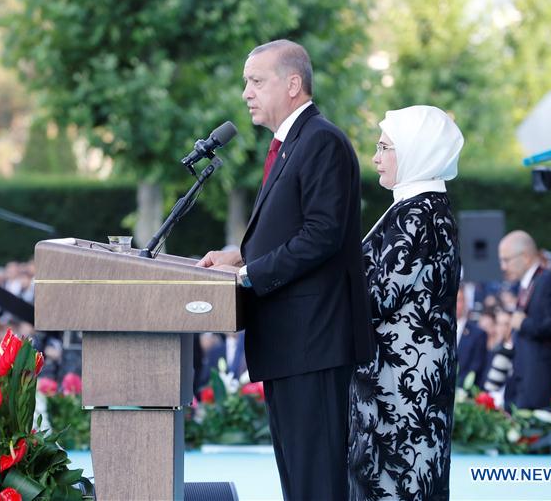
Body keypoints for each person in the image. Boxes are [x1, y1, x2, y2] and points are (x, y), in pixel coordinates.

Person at [197, 39, 375, 500]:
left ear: (293, 84)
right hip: (292, 342)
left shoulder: (321, 142)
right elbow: (292, 227)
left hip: (312, 342)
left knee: (316, 482)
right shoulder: (293, 142)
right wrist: (239, 254)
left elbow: (321, 235)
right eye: (245, 83)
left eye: (256, 81)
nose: (246, 93)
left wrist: (248, 275)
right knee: (299, 481)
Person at [348, 105, 464, 501]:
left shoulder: (419, 215)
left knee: (402, 485)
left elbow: (376, 296)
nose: (376, 158)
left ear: (416, 151)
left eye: (385, 147)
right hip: (403, 380)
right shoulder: (418, 207)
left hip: (404, 388)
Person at [499, 230, 551, 409]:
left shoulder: (547, 281)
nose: (503, 266)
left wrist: (524, 324)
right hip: (526, 383)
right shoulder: (531, 283)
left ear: (524, 257)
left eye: (506, 260)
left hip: (542, 387)